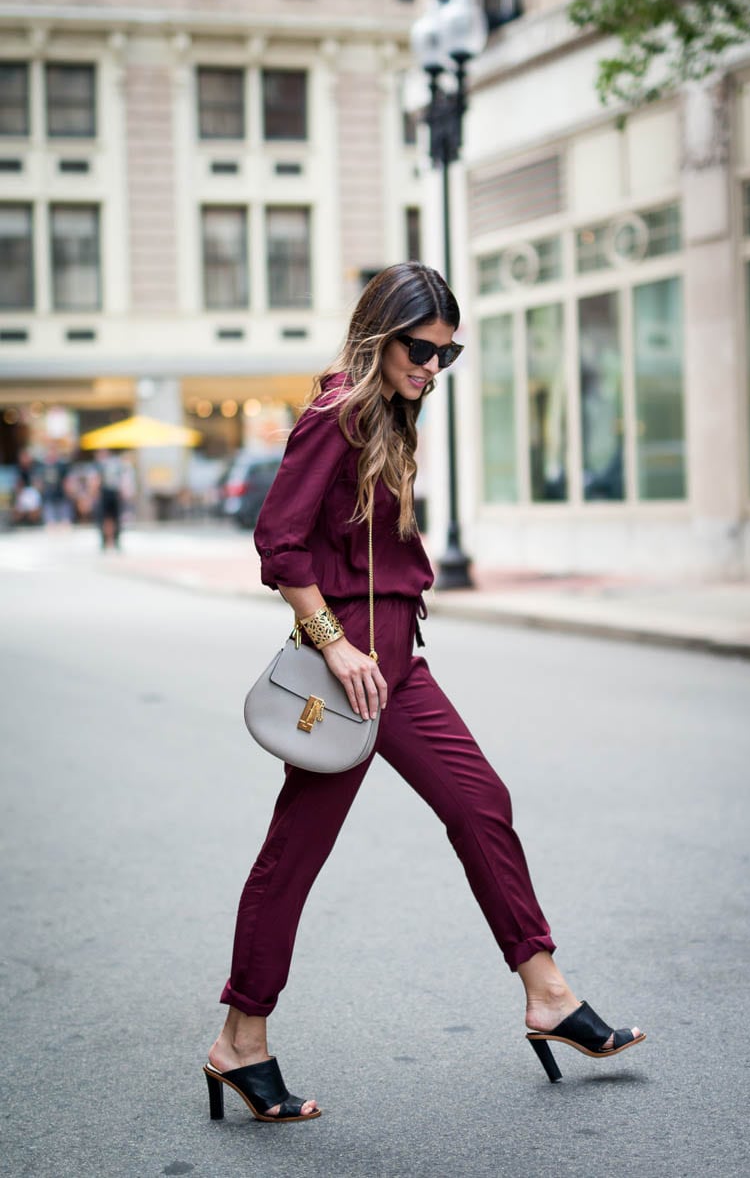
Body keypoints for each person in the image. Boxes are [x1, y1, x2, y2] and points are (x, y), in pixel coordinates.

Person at [204, 262, 644, 1123]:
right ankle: (239, 1042)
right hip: (357, 672)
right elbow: (278, 545)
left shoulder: (389, 417)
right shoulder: (336, 414)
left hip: (402, 661)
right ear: (382, 334)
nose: (432, 368)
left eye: (448, 354)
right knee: (294, 855)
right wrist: (333, 646)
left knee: (480, 802)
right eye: (421, 349)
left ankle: (546, 994)